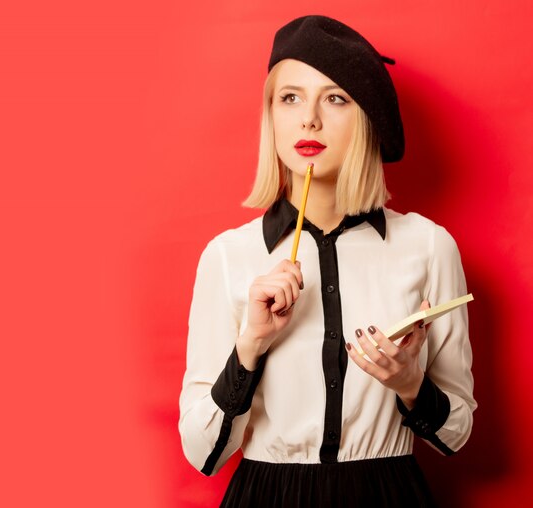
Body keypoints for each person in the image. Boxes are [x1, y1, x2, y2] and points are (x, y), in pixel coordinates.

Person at [178, 15, 476, 507]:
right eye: (289, 97)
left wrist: (409, 384)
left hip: (388, 495)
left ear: (366, 118)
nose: (308, 119)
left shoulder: (427, 246)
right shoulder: (228, 257)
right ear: (270, 114)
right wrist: (251, 345)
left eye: (335, 99)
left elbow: (456, 434)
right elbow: (202, 452)